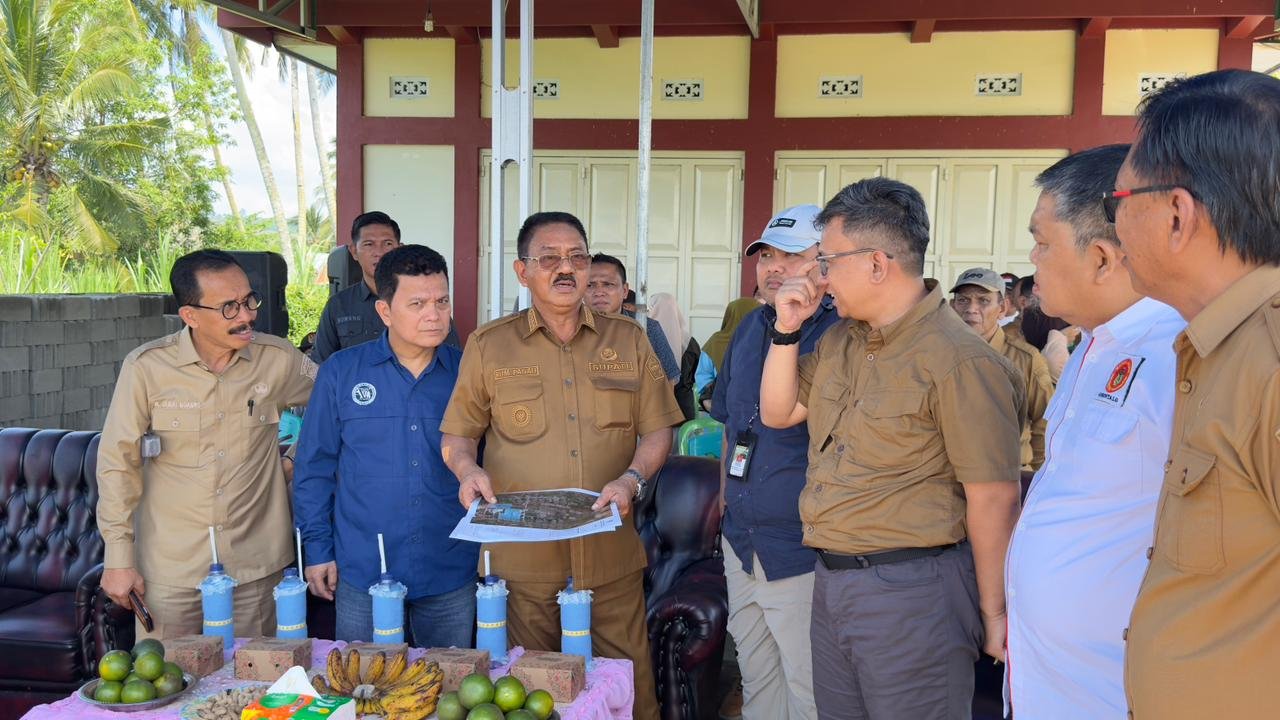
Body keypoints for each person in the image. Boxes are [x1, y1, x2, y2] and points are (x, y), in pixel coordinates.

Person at [759, 177, 1024, 720]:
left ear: (877, 264)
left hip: (912, 591)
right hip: (833, 582)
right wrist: (787, 329)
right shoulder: (842, 339)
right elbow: (778, 412)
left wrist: (995, 614)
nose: (818, 277)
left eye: (828, 261)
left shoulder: (960, 361)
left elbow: (994, 497)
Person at [440, 211, 684, 720]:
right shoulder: (489, 345)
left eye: (576, 256)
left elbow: (660, 428)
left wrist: (632, 478)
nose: (565, 268)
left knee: (633, 695)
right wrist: (468, 471)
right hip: (525, 565)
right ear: (521, 270)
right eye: (548, 258)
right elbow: (458, 435)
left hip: (610, 553)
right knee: (536, 694)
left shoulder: (630, 340)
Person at [1111, 69, 1280, 719]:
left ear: (1177, 214)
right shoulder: (1215, 348)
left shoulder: (1267, 362)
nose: (1115, 224)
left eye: (1119, 199)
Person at [1004, 144, 1186, 718]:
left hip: (1114, 690)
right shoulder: (1092, 346)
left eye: (1042, 241)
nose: (1032, 260)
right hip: (1047, 680)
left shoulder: (1179, 354)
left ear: (1103, 258)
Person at [96, 249, 317, 639]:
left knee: (255, 685)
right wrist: (118, 557)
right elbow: (118, 463)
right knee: (167, 683)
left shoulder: (278, 359)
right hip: (171, 570)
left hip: (255, 566)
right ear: (190, 316)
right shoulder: (147, 368)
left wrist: (297, 459)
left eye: (249, 301)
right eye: (229, 307)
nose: (247, 315)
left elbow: (332, 405)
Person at [293, 244, 477, 646]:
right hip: (363, 568)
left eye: (441, 300)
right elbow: (314, 468)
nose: (434, 314)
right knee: (364, 689)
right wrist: (318, 549)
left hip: (450, 565)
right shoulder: (342, 373)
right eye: (417, 303)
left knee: (451, 690)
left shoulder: (468, 372)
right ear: (385, 311)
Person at [710, 205, 840, 720]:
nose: (773, 267)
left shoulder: (841, 337)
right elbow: (730, 424)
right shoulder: (747, 329)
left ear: (825, 265)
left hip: (800, 547)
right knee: (758, 677)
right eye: (766, 255)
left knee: (809, 687)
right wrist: (725, 505)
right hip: (741, 539)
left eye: (791, 255)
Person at [312, 211, 459, 362]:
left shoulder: (429, 303)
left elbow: (452, 362)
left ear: (400, 248)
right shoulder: (339, 305)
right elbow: (321, 363)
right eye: (369, 244)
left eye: (387, 243)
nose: (379, 252)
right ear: (354, 251)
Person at [950, 267, 1053, 471]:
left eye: (983, 301)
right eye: (963, 300)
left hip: (1008, 474)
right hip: (951, 477)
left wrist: (1040, 478)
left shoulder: (1026, 359)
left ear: (1002, 308)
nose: (971, 309)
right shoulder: (938, 354)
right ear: (952, 306)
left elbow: (1045, 424)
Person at [586, 253, 680, 383]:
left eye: (608, 284)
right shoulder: (570, 330)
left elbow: (668, 383)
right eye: (589, 285)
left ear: (625, 291)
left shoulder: (647, 329)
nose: (599, 292)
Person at [696, 297, 762, 408]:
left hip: (719, 407)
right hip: (751, 408)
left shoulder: (715, 342)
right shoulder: (765, 342)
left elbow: (703, 377)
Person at [649, 292, 701, 422]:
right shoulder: (690, 341)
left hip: (655, 409)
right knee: (681, 441)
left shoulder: (648, 338)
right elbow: (697, 373)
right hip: (684, 407)